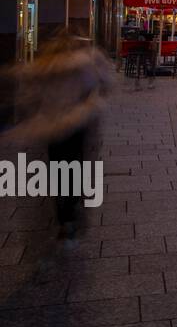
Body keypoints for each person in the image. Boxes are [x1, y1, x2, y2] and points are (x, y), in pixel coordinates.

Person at [9, 32, 113, 241]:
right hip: (77, 123)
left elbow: (29, 96)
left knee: (57, 167)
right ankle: (72, 209)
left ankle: (63, 212)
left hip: (51, 126)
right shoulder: (83, 64)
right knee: (76, 164)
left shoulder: (43, 68)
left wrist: (30, 115)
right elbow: (100, 85)